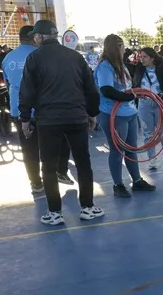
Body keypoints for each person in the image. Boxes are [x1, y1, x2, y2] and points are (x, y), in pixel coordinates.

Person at [18, 19, 104, 226]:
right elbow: (90, 88)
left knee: (48, 166)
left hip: (48, 121)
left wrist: (25, 118)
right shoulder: (75, 57)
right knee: (83, 163)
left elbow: (27, 90)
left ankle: (55, 213)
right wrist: (92, 113)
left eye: (35, 37)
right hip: (76, 117)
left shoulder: (34, 58)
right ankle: (88, 207)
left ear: (39, 37)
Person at [2, 25, 72, 194]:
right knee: (55, 144)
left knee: (28, 148)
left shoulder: (8, 58)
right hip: (44, 109)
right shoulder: (42, 55)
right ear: (34, 37)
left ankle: (36, 182)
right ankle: (56, 174)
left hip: (18, 109)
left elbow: (7, 84)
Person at [95, 34, 155, 197]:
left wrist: (136, 94)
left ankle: (137, 180)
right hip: (113, 114)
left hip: (129, 112)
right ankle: (118, 184)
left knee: (131, 148)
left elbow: (126, 88)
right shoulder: (105, 66)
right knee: (117, 150)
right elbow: (106, 90)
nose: (124, 50)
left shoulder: (120, 65)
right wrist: (129, 97)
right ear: (118, 48)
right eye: (122, 47)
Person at [131, 46, 163, 171]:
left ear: (152, 58)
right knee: (148, 134)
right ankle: (152, 159)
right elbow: (131, 78)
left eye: (145, 57)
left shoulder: (162, 68)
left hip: (160, 103)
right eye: (141, 57)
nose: (142, 59)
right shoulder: (138, 69)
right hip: (144, 103)